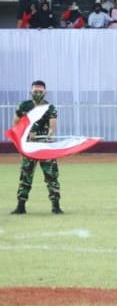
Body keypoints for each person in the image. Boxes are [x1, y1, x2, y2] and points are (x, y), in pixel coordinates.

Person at [10, 80, 64, 215]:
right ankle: (21, 206)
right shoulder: (24, 106)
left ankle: (55, 205)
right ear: (31, 91)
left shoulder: (49, 108)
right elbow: (15, 125)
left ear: (45, 92)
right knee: (26, 175)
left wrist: (50, 134)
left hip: (45, 146)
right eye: (35, 91)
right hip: (30, 147)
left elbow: (52, 125)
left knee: (51, 175)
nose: (38, 94)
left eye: (40, 91)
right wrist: (26, 134)